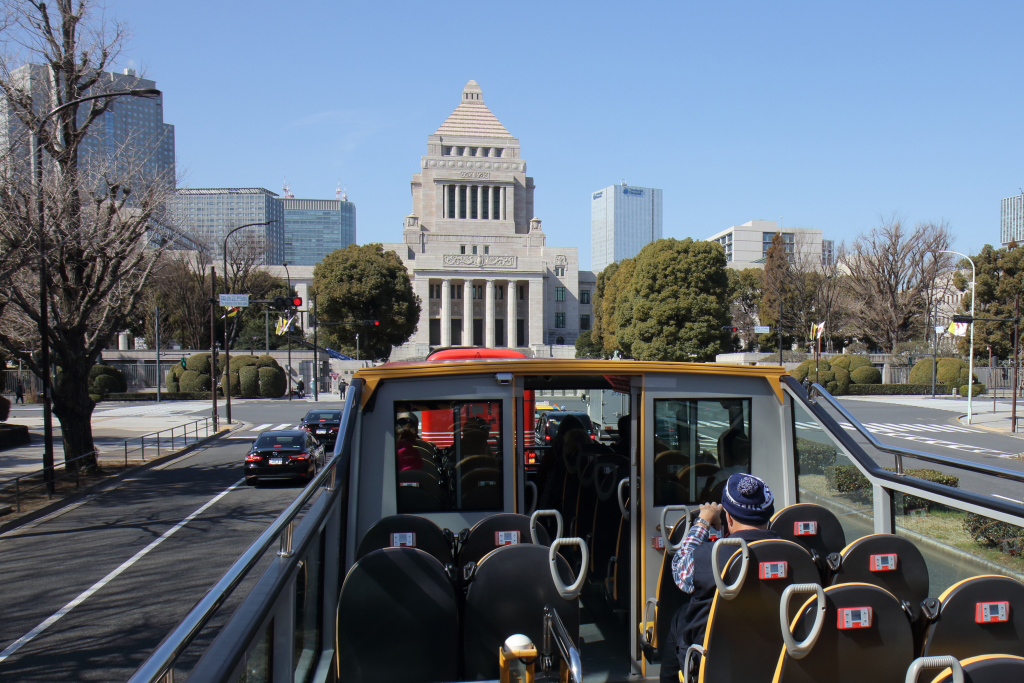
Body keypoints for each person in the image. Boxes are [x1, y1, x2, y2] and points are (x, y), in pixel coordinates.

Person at [660, 473, 777, 683]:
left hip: (721, 662)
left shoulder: (711, 556)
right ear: (769, 515)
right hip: (775, 659)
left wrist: (703, 521)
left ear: (728, 518)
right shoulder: (796, 554)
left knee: (681, 615)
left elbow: (679, 570)